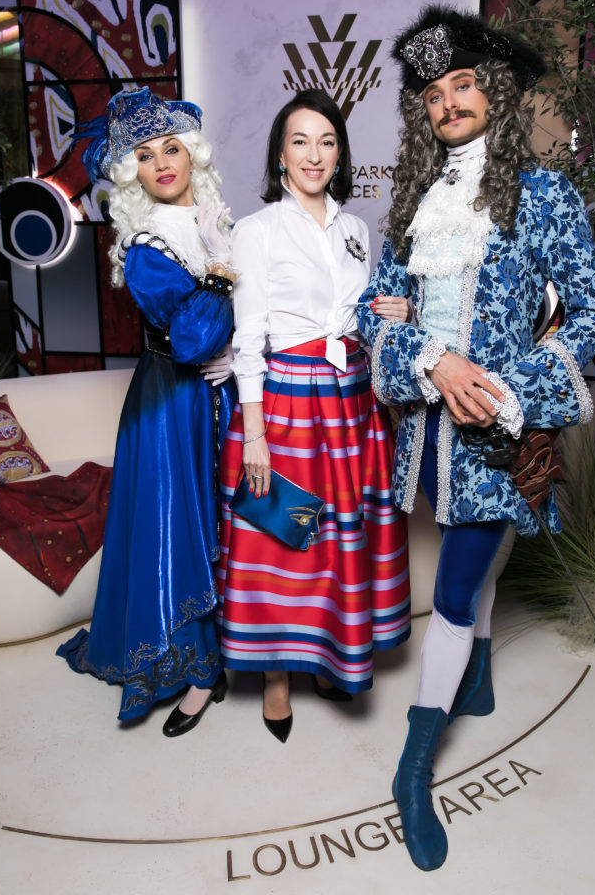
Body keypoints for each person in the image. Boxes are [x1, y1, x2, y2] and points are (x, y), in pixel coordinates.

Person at [356, 6, 595, 870]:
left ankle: (411, 769)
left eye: (462, 85)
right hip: (423, 443)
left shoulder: (543, 196)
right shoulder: (411, 206)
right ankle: (477, 679)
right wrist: (430, 358)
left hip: (494, 439)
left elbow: (592, 313)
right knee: (476, 565)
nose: (448, 104)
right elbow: (371, 317)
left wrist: (507, 392)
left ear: (494, 93)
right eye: (432, 95)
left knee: (455, 595)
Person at [215, 88, 411, 743]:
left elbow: (353, 315)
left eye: (326, 141)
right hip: (287, 403)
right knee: (282, 534)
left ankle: (328, 656)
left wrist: (391, 312)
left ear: (340, 154)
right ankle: (275, 675)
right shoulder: (256, 230)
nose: (313, 154)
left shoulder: (356, 230)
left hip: (352, 402)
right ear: (279, 155)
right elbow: (248, 339)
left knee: (334, 540)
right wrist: (255, 436)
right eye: (300, 141)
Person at [57, 87, 237, 738]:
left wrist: (244, 352)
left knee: (231, 521)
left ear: (192, 155)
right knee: (177, 530)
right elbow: (190, 340)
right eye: (144, 154)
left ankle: (236, 646)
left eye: (171, 148)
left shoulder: (221, 224)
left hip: (225, 395)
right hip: (169, 406)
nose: (161, 162)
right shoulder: (143, 246)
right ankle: (196, 670)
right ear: (131, 170)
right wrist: (221, 272)